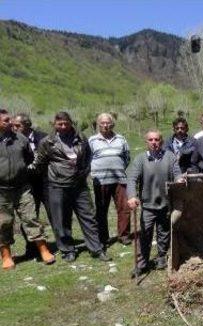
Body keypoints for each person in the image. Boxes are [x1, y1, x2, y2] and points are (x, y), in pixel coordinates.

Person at [34, 111, 110, 262]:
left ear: (71, 123)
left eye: (66, 123)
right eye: (59, 124)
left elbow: (88, 157)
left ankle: (96, 249)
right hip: (57, 186)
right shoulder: (47, 142)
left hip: (79, 186)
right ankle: (67, 250)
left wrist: (84, 172)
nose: (63, 126)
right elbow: (40, 163)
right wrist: (52, 177)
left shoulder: (81, 138)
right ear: (54, 125)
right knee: (61, 220)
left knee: (88, 217)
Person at [0, 110, 54, 269]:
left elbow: (29, 158)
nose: (9, 122)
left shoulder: (20, 139)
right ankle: (6, 256)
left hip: (22, 188)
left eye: (9, 119)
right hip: (1, 191)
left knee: (30, 218)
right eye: (5, 120)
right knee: (3, 223)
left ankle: (44, 250)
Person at [127, 130, 183, 275]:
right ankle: (142, 262)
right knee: (145, 234)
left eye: (157, 140)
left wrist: (179, 180)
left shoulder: (169, 157)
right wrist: (132, 196)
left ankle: (161, 257)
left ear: (161, 141)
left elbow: (177, 173)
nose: (154, 143)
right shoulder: (140, 159)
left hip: (165, 203)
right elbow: (132, 178)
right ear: (146, 142)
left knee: (163, 232)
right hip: (148, 205)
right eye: (150, 140)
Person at [88, 113, 131, 247]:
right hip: (100, 180)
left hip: (120, 179)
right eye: (102, 123)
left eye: (108, 123)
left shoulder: (121, 139)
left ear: (112, 124)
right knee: (101, 209)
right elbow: (87, 158)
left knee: (124, 208)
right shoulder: (92, 140)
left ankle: (123, 235)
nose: (105, 125)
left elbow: (127, 157)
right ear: (98, 124)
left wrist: (118, 167)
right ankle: (103, 237)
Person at [11, 113, 49, 221]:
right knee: (29, 216)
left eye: (18, 126)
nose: (15, 128)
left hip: (45, 181)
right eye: (13, 125)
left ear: (27, 125)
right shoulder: (12, 140)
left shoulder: (44, 138)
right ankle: (32, 237)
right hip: (27, 184)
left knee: (54, 213)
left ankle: (62, 237)